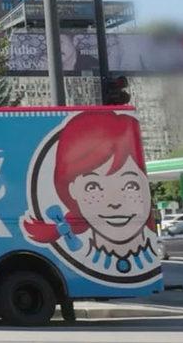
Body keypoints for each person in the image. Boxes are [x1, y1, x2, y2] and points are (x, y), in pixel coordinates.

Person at [22, 111, 156, 275]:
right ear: (72, 190)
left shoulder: (146, 247)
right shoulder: (83, 251)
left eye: (130, 185)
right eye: (93, 186)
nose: (114, 202)